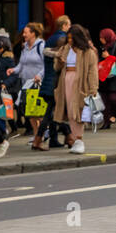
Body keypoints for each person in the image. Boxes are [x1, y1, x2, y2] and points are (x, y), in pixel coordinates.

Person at [52, 24, 99, 154]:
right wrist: (60, 62)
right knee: (69, 111)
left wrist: (93, 88)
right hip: (66, 81)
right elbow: (57, 67)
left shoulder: (88, 52)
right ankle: (75, 138)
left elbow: (92, 71)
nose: (70, 41)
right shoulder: (65, 48)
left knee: (77, 111)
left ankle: (79, 139)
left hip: (80, 83)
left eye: (73, 38)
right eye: (69, 38)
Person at [10, 23, 46, 149]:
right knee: (30, 112)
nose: (23, 35)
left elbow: (46, 64)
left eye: (26, 32)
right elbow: (21, 64)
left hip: (38, 83)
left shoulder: (41, 46)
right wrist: (13, 70)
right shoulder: (25, 47)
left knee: (38, 112)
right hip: (26, 83)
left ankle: (42, 134)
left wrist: (40, 75)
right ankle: (37, 135)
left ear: (33, 33)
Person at [38, 15, 70, 148]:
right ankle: (39, 139)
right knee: (53, 112)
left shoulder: (50, 38)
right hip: (55, 81)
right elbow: (63, 59)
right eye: (68, 25)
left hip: (47, 80)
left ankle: (54, 139)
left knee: (52, 111)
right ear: (63, 26)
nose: (69, 28)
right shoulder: (62, 39)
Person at [98, 27, 116, 129]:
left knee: (113, 98)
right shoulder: (102, 47)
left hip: (114, 76)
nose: (100, 39)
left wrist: (109, 57)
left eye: (102, 37)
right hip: (104, 77)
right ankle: (107, 122)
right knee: (104, 100)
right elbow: (99, 61)